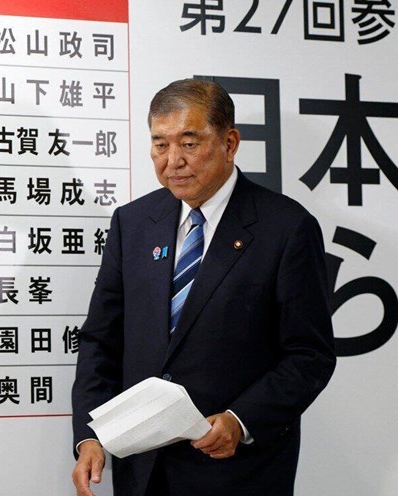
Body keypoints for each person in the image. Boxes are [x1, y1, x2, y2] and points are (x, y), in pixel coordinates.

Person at [71, 78, 336, 496]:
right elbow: (100, 339)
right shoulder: (133, 223)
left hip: (237, 471)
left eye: (189, 144)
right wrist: (89, 436)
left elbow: (309, 355)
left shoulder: (286, 227)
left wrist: (240, 419)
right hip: (142, 471)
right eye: (160, 144)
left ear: (230, 142)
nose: (172, 160)